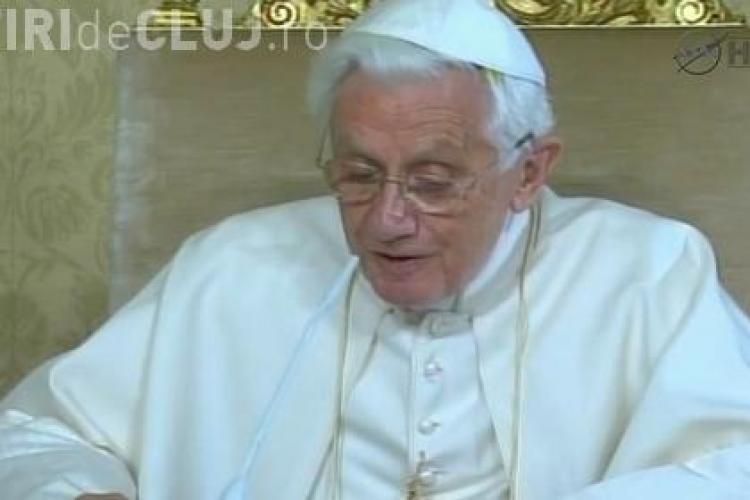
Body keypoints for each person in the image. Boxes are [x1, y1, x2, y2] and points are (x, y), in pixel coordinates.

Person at [2, 0, 750, 498]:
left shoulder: (649, 271)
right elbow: (33, 436)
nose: (387, 220)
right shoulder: (231, 266)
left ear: (528, 172)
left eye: (434, 181)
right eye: (358, 175)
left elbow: (733, 467)